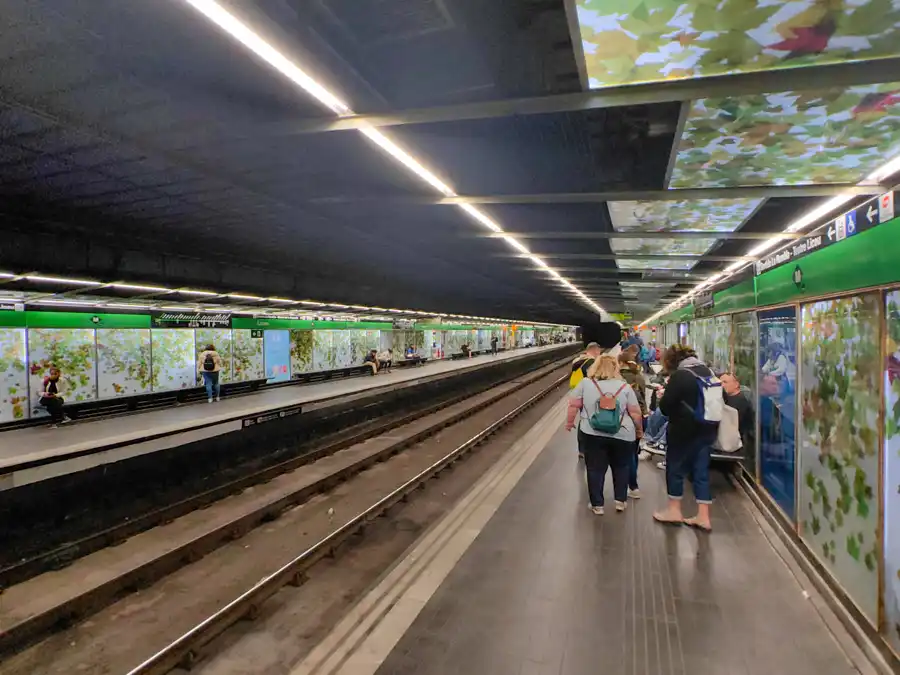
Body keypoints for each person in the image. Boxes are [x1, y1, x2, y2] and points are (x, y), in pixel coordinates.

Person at [566, 354, 644, 515]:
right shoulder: (625, 387)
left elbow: (573, 405)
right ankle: (620, 501)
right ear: (616, 368)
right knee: (621, 466)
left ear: (595, 367)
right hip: (623, 434)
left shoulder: (586, 383)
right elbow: (635, 413)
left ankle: (597, 505)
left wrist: (569, 422)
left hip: (592, 432)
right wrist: (639, 430)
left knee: (595, 469)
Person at [653, 345, 718, 531]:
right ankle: (703, 516)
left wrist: (663, 396)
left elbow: (665, 407)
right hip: (707, 429)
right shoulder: (707, 371)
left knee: (675, 469)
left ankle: (674, 511)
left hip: (683, 430)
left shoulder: (681, 375)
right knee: (701, 472)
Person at [619, 348, 648, 499]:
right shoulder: (639, 377)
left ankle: (622, 491)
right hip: (641, 417)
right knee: (633, 453)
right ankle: (633, 486)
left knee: (622, 456)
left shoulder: (618, 378)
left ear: (620, 363)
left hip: (624, 419)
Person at [569, 342, 603, 459]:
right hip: (588, 394)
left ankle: (581, 449)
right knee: (589, 419)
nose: (599, 353)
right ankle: (588, 448)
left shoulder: (577, 360)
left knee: (583, 419)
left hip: (577, 392)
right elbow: (594, 378)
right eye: (598, 351)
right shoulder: (591, 362)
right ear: (595, 350)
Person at [721, 372, 755, 453]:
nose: (721, 385)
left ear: (736, 384)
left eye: (725, 382)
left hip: (737, 445)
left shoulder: (741, 402)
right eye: (720, 382)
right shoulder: (725, 399)